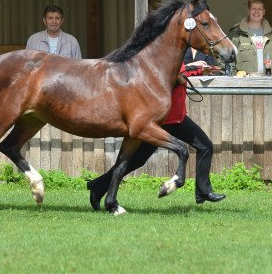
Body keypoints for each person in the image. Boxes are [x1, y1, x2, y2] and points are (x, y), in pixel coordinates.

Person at [86, 64, 225, 210]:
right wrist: (191, 72)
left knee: (205, 146)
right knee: (135, 161)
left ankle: (204, 191)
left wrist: (200, 70)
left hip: (179, 119)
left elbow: (181, 72)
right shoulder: (164, 59)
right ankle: (98, 186)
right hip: (160, 122)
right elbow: (177, 75)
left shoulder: (177, 58)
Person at [226, 0, 272, 75]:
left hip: (270, 85)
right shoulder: (236, 35)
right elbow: (228, 63)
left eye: (260, 9)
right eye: (253, 8)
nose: (256, 12)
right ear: (248, 11)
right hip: (244, 85)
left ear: (264, 11)